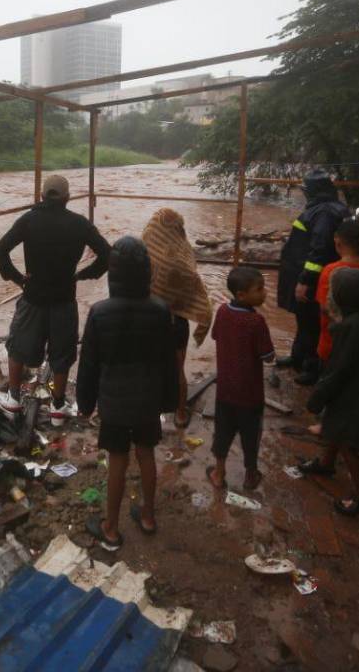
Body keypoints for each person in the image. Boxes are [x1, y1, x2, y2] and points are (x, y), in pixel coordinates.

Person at [76, 236, 178, 550]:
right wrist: (169, 400)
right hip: (148, 400)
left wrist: (85, 403)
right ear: (148, 272)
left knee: (117, 460)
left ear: (112, 274)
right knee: (147, 453)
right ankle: (147, 516)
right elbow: (168, 362)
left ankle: (110, 528)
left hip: (114, 403)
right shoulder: (161, 311)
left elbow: (89, 365)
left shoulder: (100, 312)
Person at [0, 175, 109, 424]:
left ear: (42, 196)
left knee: (18, 346)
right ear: (67, 198)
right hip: (64, 298)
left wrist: (18, 279)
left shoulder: (29, 220)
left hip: (33, 296)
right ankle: (57, 407)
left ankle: (13, 400)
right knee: (62, 353)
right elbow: (108, 254)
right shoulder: (79, 224)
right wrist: (83, 274)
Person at [296, 268, 359, 516]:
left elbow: (338, 371)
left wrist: (317, 398)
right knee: (336, 429)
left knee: (348, 445)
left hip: (351, 395)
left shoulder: (351, 328)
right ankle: (325, 463)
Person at [307, 219, 359, 436]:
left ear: (337, 242)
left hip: (332, 342)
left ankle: (327, 425)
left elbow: (324, 306)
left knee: (330, 380)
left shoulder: (332, 270)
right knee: (351, 384)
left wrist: (343, 325)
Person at [276, 170, 350, 386]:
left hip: (314, 278)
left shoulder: (325, 212)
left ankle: (311, 367)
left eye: (306, 190)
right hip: (310, 274)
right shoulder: (326, 208)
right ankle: (298, 357)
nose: (305, 194)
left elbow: (320, 249)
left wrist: (306, 280)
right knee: (304, 320)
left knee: (312, 323)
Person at [206, 266, 276, 493]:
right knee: (250, 435)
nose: (265, 293)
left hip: (225, 390)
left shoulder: (223, 312)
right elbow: (268, 356)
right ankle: (250, 474)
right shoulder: (256, 322)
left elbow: (216, 335)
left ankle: (219, 472)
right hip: (250, 394)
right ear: (242, 295)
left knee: (223, 432)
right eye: (259, 289)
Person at [141, 208, 213, 428]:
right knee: (178, 367)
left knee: (147, 367)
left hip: (147, 319)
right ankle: (180, 412)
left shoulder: (143, 250)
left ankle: (146, 410)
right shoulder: (185, 253)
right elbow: (193, 281)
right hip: (175, 320)